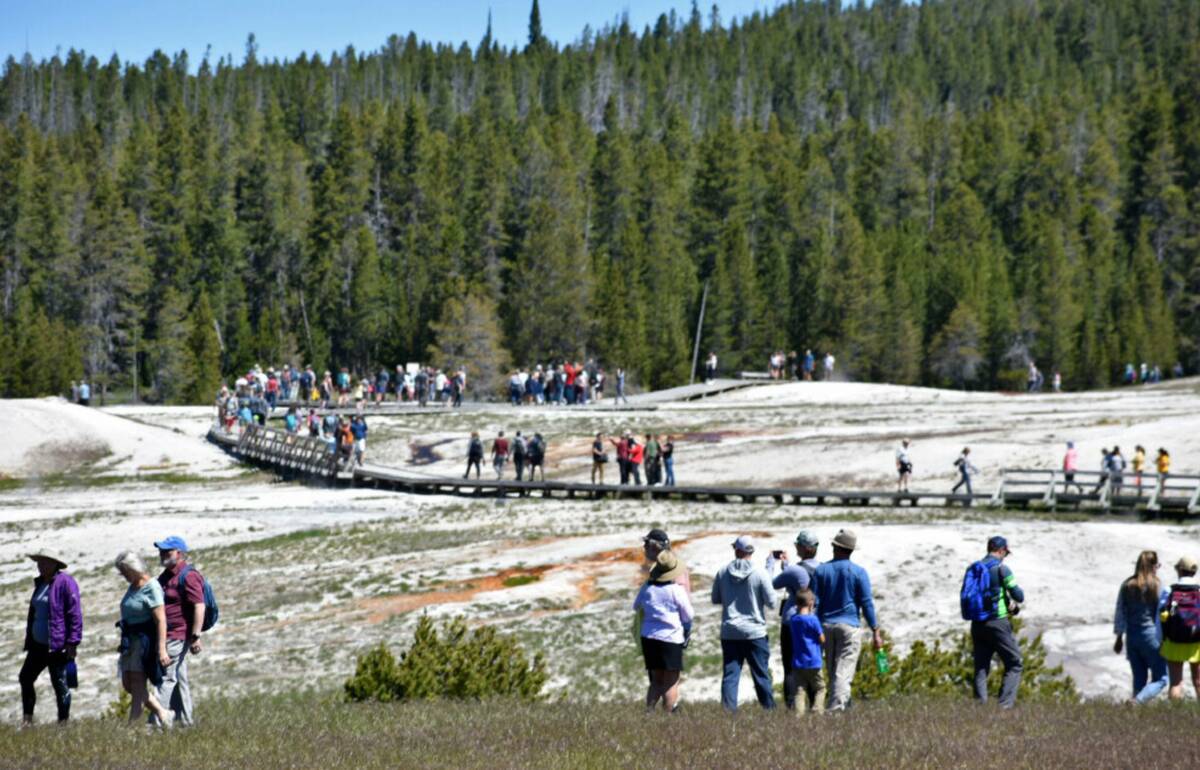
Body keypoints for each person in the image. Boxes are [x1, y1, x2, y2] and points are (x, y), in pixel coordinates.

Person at [812, 529, 882, 711]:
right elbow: (866, 603)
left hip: (825, 626)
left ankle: (843, 707)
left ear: (835, 547)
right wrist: (875, 629)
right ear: (851, 550)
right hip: (849, 625)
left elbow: (814, 603)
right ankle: (836, 711)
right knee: (843, 672)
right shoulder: (859, 572)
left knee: (833, 670)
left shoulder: (821, 570)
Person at [711, 536, 776, 711]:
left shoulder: (723, 571)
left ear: (737, 550)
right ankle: (769, 711)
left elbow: (715, 598)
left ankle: (728, 712)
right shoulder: (760, 572)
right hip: (754, 631)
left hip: (730, 630)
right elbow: (772, 602)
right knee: (761, 674)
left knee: (731, 676)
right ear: (751, 551)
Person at [20, 550, 82, 726]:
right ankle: (27, 721)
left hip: (57, 645)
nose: (41, 566)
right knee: (25, 678)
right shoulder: (40, 584)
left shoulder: (66, 582)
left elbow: (74, 613)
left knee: (60, 685)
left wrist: (73, 642)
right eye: (39, 563)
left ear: (55, 564)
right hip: (38, 645)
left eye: (45, 562)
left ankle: (63, 724)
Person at [962, 535, 1025, 708]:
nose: (1005, 556)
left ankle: (979, 708)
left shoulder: (973, 569)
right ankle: (1004, 707)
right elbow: (1019, 596)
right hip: (997, 623)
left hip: (977, 623)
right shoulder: (1001, 569)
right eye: (1005, 552)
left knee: (981, 667)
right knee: (1015, 663)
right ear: (1001, 550)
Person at [150, 536, 207, 727]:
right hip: (166, 635)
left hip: (178, 635)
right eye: (161, 551)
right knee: (178, 680)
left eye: (168, 551)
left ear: (179, 554)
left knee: (165, 679)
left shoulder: (189, 575)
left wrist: (196, 636)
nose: (163, 554)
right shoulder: (165, 576)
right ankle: (185, 722)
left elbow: (199, 606)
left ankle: (155, 726)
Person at [632, 551, 694, 713]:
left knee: (656, 680)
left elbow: (636, 606)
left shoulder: (647, 587)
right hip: (670, 638)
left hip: (649, 638)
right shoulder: (676, 590)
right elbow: (688, 615)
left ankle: (649, 713)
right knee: (671, 681)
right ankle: (667, 717)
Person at [115, 551, 171, 725]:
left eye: (124, 571)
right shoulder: (133, 587)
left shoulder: (151, 587)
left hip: (144, 641)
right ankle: (163, 713)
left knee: (138, 683)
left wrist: (161, 649)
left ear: (133, 569)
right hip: (129, 641)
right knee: (129, 684)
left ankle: (133, 725)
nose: (123, 575)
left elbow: (161, 619)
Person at [767, 530, 819, 710]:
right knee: (812, 664)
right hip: (814, 620)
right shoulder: (821, 568)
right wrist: (787, 565)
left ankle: (792, 705)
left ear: (803, 548)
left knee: (790, 666)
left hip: (792, 621)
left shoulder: (796, 570)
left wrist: (770, 563)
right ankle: (815, 704)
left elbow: (772, 583)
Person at [1113, 551, 1169, 704]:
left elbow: (1120, 612)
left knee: (1139, 679)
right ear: (1153, 566)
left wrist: (1119, 638)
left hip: (1132, 638)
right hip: (1152, 637)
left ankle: (1135, 715)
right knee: (1162, 678)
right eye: (1157, 565)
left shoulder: (1127, 585)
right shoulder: (1157, 585)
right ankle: (1137, 702)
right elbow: (1162, 613)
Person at [1160, 555, 1200, 700]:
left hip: (1174, 641)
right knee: (1198, 681)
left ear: (1179, 571)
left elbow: (1161, 616)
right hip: (1197, 643)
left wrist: (1161, 639)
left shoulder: (1169, 590)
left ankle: (1174, 717)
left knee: (1176, 683)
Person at [787, 589, 827, 713]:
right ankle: (817, 708)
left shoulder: (793, 620)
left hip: (798, 661)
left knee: (799, 690)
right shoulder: (813, 620)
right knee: (820, 688)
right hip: (814, 661)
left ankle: (799, 715)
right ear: (811, 603)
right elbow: (822, 639)